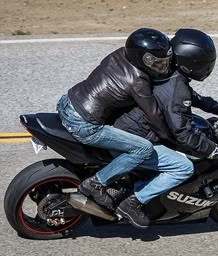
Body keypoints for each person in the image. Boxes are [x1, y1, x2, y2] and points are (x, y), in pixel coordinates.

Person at [111, 29, 218, 228]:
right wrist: (217, 150)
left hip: (127, 127)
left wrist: (215, 107)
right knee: (183, 167)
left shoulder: (170, 73)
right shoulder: (177, 87)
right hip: (134, 137)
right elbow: (184, 134)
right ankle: (134, 201)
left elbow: (190, 97)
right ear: (194, 64)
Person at [56, 28, 174, 212]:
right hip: (85, 124)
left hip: (68, 101)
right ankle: (96, 183)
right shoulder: (138, 80)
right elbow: (154, 114)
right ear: (142, 59)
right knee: (143, 148)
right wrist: (168, 136)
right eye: (157, 63)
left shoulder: (119, 54)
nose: (161, 67)